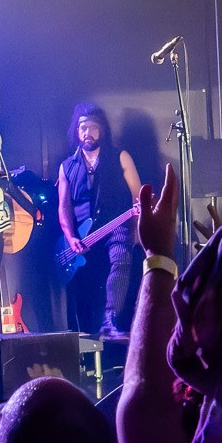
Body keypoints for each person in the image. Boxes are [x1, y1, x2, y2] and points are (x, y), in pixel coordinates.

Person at [57, 101, 141, 338]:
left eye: (93, 127)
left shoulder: (120, 156)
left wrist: (136, 230)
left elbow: (139, 196)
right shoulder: (67, 167)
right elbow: (63, 208)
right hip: (83, 236)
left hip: (117, 226)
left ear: (102, 130)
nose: (88, 133)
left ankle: (110, 319)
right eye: (83, 127)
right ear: (76, 130)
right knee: (82, 283)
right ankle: (82, 334)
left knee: (121, 259)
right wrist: (70, 236)